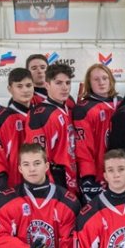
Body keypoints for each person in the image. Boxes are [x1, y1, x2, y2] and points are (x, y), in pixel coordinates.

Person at [72, 63, 119, 205]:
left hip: (121, 172)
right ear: (89, 83)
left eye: (105, 78)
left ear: (111, 80)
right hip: (99, 175)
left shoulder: (123, 104)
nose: (101, 82)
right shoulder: (83, 109)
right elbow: (83, 147)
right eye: (96, 79)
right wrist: (88, 177)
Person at [28, 63, 77, 191]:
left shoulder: (69, 107)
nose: (65, 87)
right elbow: (37, 153)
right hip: (54, 176)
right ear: (47, 85)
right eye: (59, 83)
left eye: (67, 83)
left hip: (71, 173)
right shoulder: (41, 114)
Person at [0, 67, 36, 191]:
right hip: (13, 183)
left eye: (28, 85)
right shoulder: (1, 118)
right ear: (10, 89)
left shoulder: (40, 114)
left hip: (39, 180)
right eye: (19, 86)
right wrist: (1, 179)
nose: (25, 90)